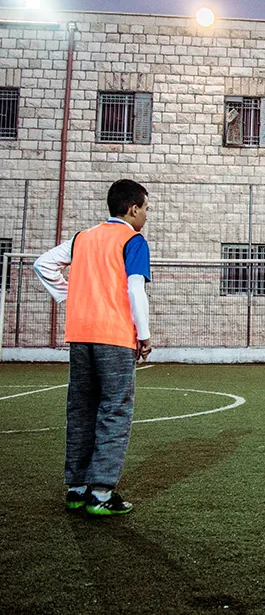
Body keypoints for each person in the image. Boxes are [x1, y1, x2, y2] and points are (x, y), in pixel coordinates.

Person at [34, 179, 153, 515]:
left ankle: (76, 488)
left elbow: (43, 265)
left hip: (80, 334)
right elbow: (134, 290)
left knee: (81, 409)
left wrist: (70, 299)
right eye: (145, 209)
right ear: (132, 209)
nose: (145, 216)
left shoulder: (82, 238)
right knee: (114, 411)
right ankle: (101, 494)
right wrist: (143, 334)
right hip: (114, 336)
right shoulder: (133, 240)